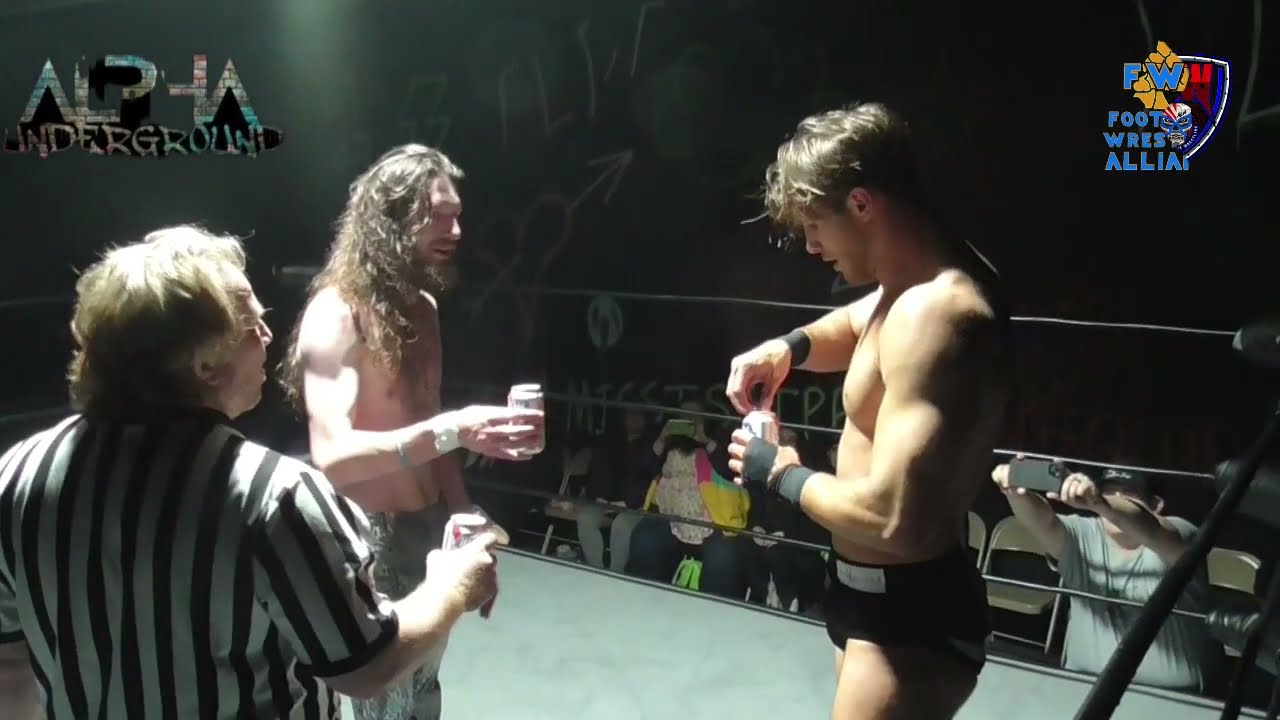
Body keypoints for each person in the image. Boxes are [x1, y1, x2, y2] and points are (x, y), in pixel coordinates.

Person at [0, 226, 502, 720]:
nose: (268, 336)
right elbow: (366, 666)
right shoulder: (273, 496)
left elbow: (9, 669)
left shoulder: (17, 477)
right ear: (203, 366)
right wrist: (453, 585)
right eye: (251, 326)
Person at [724, 102, 1011, 719]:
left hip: (910, 618)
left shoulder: (937, 314)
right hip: (864, 591)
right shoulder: (904, 287)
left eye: (815, 226)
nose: (811, 245)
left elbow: (896, 520)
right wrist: (788, 348)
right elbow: (860, 323)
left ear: (861, 204)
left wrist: (780, 473)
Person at [278, 144, 542, 720]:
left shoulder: (423, 306)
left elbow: (427, 413)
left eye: (457, 215)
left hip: (428, 527)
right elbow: (334, 457)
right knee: (386, 702)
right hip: (367, 537)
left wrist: (463, 513)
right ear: (390, 220)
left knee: (422, 692)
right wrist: (450, 429)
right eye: (438, 216)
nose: (456, 230)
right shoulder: (338, 313)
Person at [991, 461, 1223, 691]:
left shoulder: (1181, 532)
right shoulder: (1083, 533)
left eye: (1128, 494)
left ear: (1155, 505)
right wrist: (1015, 492)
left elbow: (1152, 529)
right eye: (1109, 491)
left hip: (1177, 698)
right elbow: (1043, 522)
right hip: (1082, 687)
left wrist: (1101, 503)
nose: (1116, 498)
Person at [626, 402, 752, 599]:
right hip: (671, 516)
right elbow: (643, 468)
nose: (689, 419)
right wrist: (662, 439)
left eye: (695, 415)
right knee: (644, 538)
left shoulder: (718, 440)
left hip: (713, 519)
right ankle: (646, 598)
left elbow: (729, 471)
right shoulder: (667, 442)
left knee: (722, 556)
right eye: (684, 414)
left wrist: (705, 441)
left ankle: (714, 608)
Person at [576, 407, 653, 571]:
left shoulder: (651, 447)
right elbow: (596, 473)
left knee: (622, 524)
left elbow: (650, 483)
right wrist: (599, 496)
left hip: (636, 505)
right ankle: (595, 569)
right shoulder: (610, 442)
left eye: (638, 414)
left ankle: (616, 573)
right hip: (606, 501)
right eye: (630, 413)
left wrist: (629, 503)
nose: (634, 418)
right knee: (585, 518)